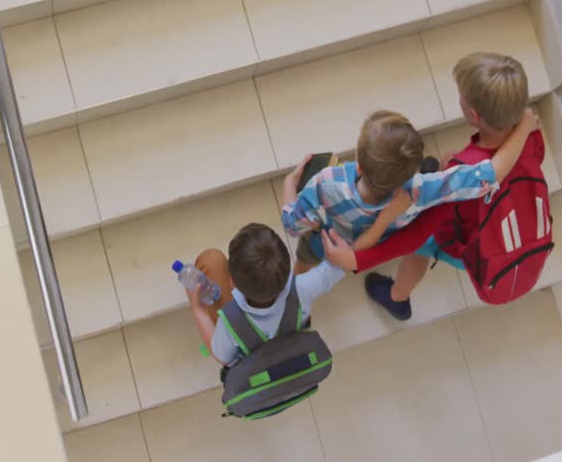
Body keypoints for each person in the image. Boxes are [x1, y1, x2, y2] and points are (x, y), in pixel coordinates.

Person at [321, 52, 539, 319]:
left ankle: (397, 298)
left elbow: (414, 235)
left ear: (472, 114)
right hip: (517, 243)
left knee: (419, 244)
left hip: (479, 251)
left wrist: (357, 260)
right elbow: (507, 170)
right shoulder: (529, 136)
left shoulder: (462, 181)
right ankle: (398, 297)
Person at [280, 103, 535, 318]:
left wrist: (289, 184)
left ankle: (294, 300)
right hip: (384, 236)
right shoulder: (420, 188)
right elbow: (488, 175)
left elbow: (292, 225)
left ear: (359, 166)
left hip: (326, 242)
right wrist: (523, 127)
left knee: (306, 255)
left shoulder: (327, 181)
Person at [186, 223, 343, 366]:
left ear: (232, 283)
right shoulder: (304, 287)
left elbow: (222, 357)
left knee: (211, 258)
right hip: (288, 342)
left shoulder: (229, 324)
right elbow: (341, 265)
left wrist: (198, 309)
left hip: (251, 353)